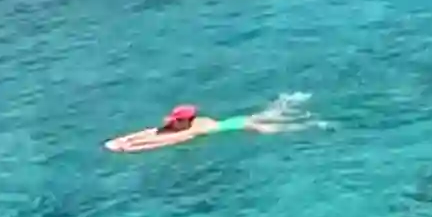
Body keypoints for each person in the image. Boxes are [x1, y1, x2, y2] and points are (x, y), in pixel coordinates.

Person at [105, 95, 313, 153]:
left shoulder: (197, 129)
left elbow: (165, 142)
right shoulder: (195, 121)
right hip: (239, 120)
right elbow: (156, 132)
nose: (172, 124)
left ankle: (310, 124)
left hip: (244, 126)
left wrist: (131, 149)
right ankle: (290, 103)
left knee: (278, 128)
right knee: (268, 115)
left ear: (185, 120)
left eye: (176, 121)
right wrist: (125, 139)